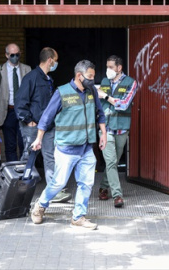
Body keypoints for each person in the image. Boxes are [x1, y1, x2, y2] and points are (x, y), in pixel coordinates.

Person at [30, 60, 107, 230]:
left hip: (86, 148)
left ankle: (78, 217)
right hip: (66, 149)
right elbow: (46, 118)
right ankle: (40, 206)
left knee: (86, 184)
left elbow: (100, 114)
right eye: (90, 77)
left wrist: (103, 134)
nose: (92, 80)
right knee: (58, 183)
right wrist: (39, 139)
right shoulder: (62, 92)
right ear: (79, 76)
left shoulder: (91, 91)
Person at [14, 47, 72, 203]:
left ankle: (54, 191)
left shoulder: (48, 79)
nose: (56, 63)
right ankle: (20, 190)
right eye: (56, 60)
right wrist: (28, 121)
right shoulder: (31, 78)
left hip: (48, 126)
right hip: (32, 127)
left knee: (51, 157)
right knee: (28, 157)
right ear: (50, 60)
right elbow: (20, 102)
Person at [97, 55, 138, 208]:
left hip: (121, 128)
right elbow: (100, 104)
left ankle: (103, 187)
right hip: (105, 128)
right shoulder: (104, 81)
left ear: (119, 68)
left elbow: (124, 104)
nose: (108, 70)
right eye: (107, 67)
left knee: (113, 162)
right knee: (111, 161)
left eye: (111, 67)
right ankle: (117, 195)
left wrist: (106, 96)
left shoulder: (131, 83)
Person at [0, 43, 31, 162]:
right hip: (7, 111)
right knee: (10, 145)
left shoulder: (27, 69)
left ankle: (24, 172)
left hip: (23, 111)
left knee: (24, 144)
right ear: (6, 55)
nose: (15, 57)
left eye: (17, 54)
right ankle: (13, 173)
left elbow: (32, 92)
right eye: (12, 55)